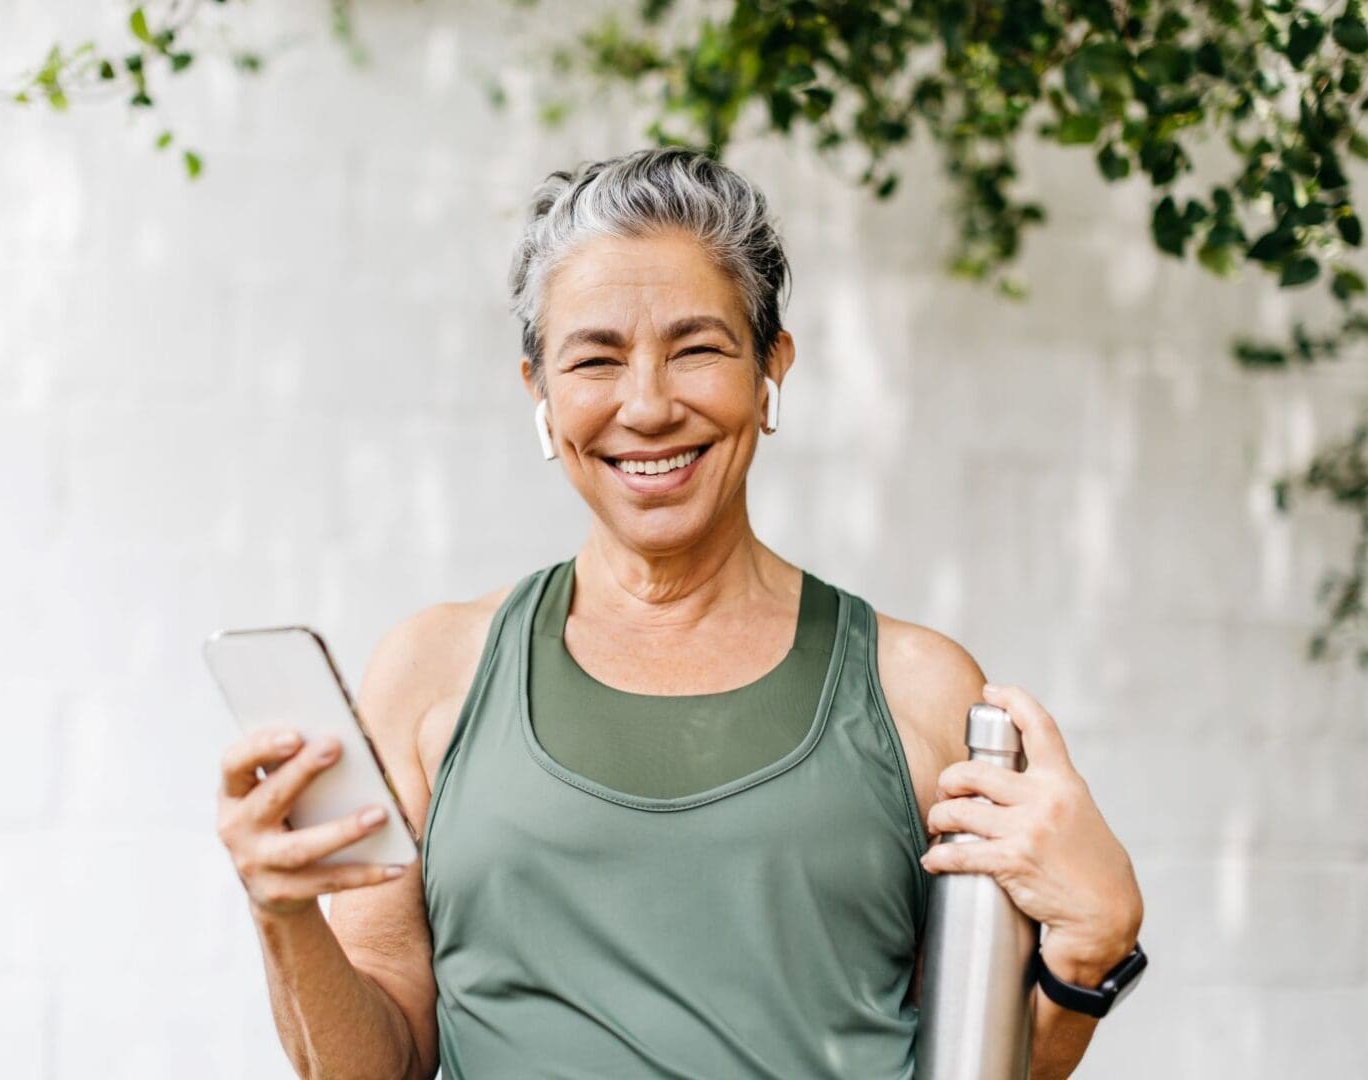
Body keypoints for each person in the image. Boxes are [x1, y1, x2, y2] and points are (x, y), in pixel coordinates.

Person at [214, 146, 1144, 1078]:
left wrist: (1088, 952)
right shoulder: (430, 675)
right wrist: (282, 911)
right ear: (539, 390)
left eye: (696, 349)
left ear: (769, 367)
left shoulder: (920, 689)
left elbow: (975, 1068)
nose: (649, 405)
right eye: (596, 358)